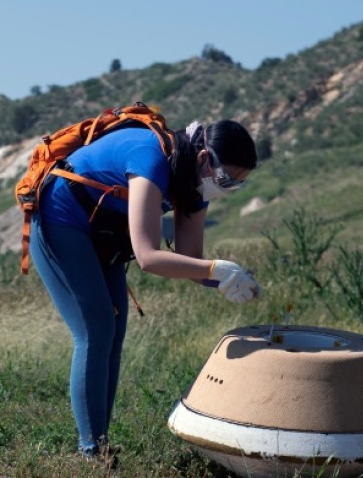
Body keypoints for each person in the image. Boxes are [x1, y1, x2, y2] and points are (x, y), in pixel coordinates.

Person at [28, 117, 261, 461]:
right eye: (226, 179)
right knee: (96, 330)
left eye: (237, 185)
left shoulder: (195, 185)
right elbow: (149, 257)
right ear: (203, 158)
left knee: (113, 333)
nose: (226, 189)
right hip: (59, 217)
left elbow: (191, 263)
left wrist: (227, 278)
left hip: (100, 233)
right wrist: (215, 270)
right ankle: (91, 452)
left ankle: (99, 444)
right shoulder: (150, 159)